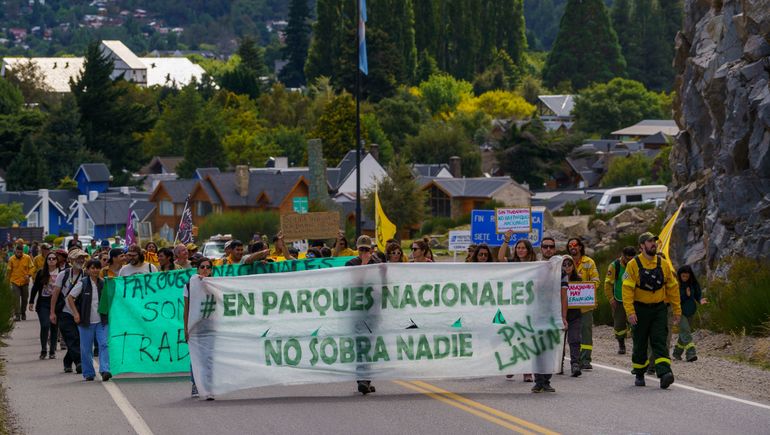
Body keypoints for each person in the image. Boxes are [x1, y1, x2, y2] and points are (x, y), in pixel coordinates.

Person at [622, 232, 681, 389]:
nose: (653, 244)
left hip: (659, 309)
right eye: (649, 241)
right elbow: (627, 290)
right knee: (640, 342)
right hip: (639, 310)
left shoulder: (663, 264)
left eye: (654, 241)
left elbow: (673, 287)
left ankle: (665, 373)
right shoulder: (633, 265)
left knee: (660, 340)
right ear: (642, 246)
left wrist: (677, 310)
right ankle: (639, 373)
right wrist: (630, 312)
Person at [498, 232, 537, 382]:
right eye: (518, 248)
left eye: (523, 248)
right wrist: (506, 240)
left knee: (527, 338)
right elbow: (500, 258)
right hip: (513, 306)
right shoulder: (513, 263)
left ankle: (527, 371)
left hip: (529, 307)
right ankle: (512, 366)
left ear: (528, 250)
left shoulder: (535, 265)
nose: (520, 250)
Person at [345, 235, 380, 394]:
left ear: (371, 249)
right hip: (358, 310)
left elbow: (384, 285)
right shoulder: (351, 264)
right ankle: (362, 379)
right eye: (361, 249)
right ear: (357, 249)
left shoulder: (377, 263)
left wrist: (383, 271)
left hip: (373, 310)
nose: (364, 252)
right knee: (360, 344)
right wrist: (364, 263)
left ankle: (367, 379)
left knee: (370, 344)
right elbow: (356, 282)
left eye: (367, 249)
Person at [66, 259, 111, 382]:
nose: (95, 270)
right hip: (86, 322)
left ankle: (105, 370)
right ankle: (88, 372)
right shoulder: (83, 283)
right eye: (92, 268)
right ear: (87, 270)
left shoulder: (104, 283)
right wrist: (76, 313)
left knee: (104, 344)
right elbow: (70, 297)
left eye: (97, 268)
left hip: (102, 321)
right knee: (86, 349)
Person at [50, 249, 89, 374]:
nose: (81, 260)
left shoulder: (86, 275)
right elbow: (55, 294)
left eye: (83, 258)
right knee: (72, 337)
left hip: (80, 312)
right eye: (78, 258)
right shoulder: (63, 275)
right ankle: (79, 363)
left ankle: (67, 361)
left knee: (78, 339)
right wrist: (52, 312)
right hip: (65, 312)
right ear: (71, 260)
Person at [566, 237, 600, 370]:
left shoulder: (589, 262)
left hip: (585, 305)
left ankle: (585, 359)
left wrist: (585, 288)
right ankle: (567, 358)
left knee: (586, 332)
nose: (572, 247)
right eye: (570, 246)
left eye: (575, 245)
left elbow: (596, 281)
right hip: (568, 306)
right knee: (570, 334)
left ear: (580, 247)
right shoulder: (566, 262)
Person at [183, 256, 214, 400]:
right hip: (195, 327)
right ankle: (195, 384)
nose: (205, 270)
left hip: (212, 327)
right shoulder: (189, 286)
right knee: (196, 356)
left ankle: (208, 386)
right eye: (202, 267)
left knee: (210, 357)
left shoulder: (217, 284)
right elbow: (187, 309)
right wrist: (186, 328)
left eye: (208, 267)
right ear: (197, 269)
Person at [29, 252, 62, 359]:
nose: (51, 260)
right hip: (43, 302)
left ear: (57, 261)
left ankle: (52, 351)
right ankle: (44, 349)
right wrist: (31, 301)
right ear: (46, 261)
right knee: (45, 325)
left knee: (54, 327)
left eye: (54, 258)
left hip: (57, 303)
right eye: (49, 258)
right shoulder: (41, 272)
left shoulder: (61, 273)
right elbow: (35, 287)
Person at [604, 247, 637, 355]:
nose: (629, 261)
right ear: (622, 255)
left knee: (637, 323)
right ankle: (621, 344)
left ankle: (637, 346)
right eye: (627, 259)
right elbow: (608, 284)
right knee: (619, 325)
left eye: (631, 259)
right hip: (619, 300)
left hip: (634, 299)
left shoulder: (637, 264)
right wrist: (611, 298)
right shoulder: (614, 266)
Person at [674, 265, 706, 362]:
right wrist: (686, 295)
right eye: (683, 276)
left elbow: (697, 294)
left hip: (690, 311)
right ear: (680, 275)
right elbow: (675, 299)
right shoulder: (676, 284)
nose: (685, 278)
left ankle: (677, 353)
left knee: (684, 333)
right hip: (679, 312)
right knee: (686, 331)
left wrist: (700, 300)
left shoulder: (693, 284)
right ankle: (691, 354)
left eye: (687, 276)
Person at [562, 257, 583, 377]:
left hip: (574, 314)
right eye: (564, 264)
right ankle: (558, 364)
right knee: (560, 341)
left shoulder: (579, 280)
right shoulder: (557, 279)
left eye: (569, 264)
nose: (567, 266)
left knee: (574, 340)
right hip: (559, 314)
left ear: (573, 265)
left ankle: (575, 364)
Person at [8, 244, 34, 321]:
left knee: (25, 299)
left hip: (24, 282)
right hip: (14, 282)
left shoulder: (27, 258)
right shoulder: (11, 259)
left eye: (20, 252)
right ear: (15, 251)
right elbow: (9, 271)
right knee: (16, 299)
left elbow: (32, 267)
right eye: (17, 252)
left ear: (22, 251)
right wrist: (7, 281)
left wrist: (29, 275)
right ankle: (17, 315)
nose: (19, 254)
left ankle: (23, 313)